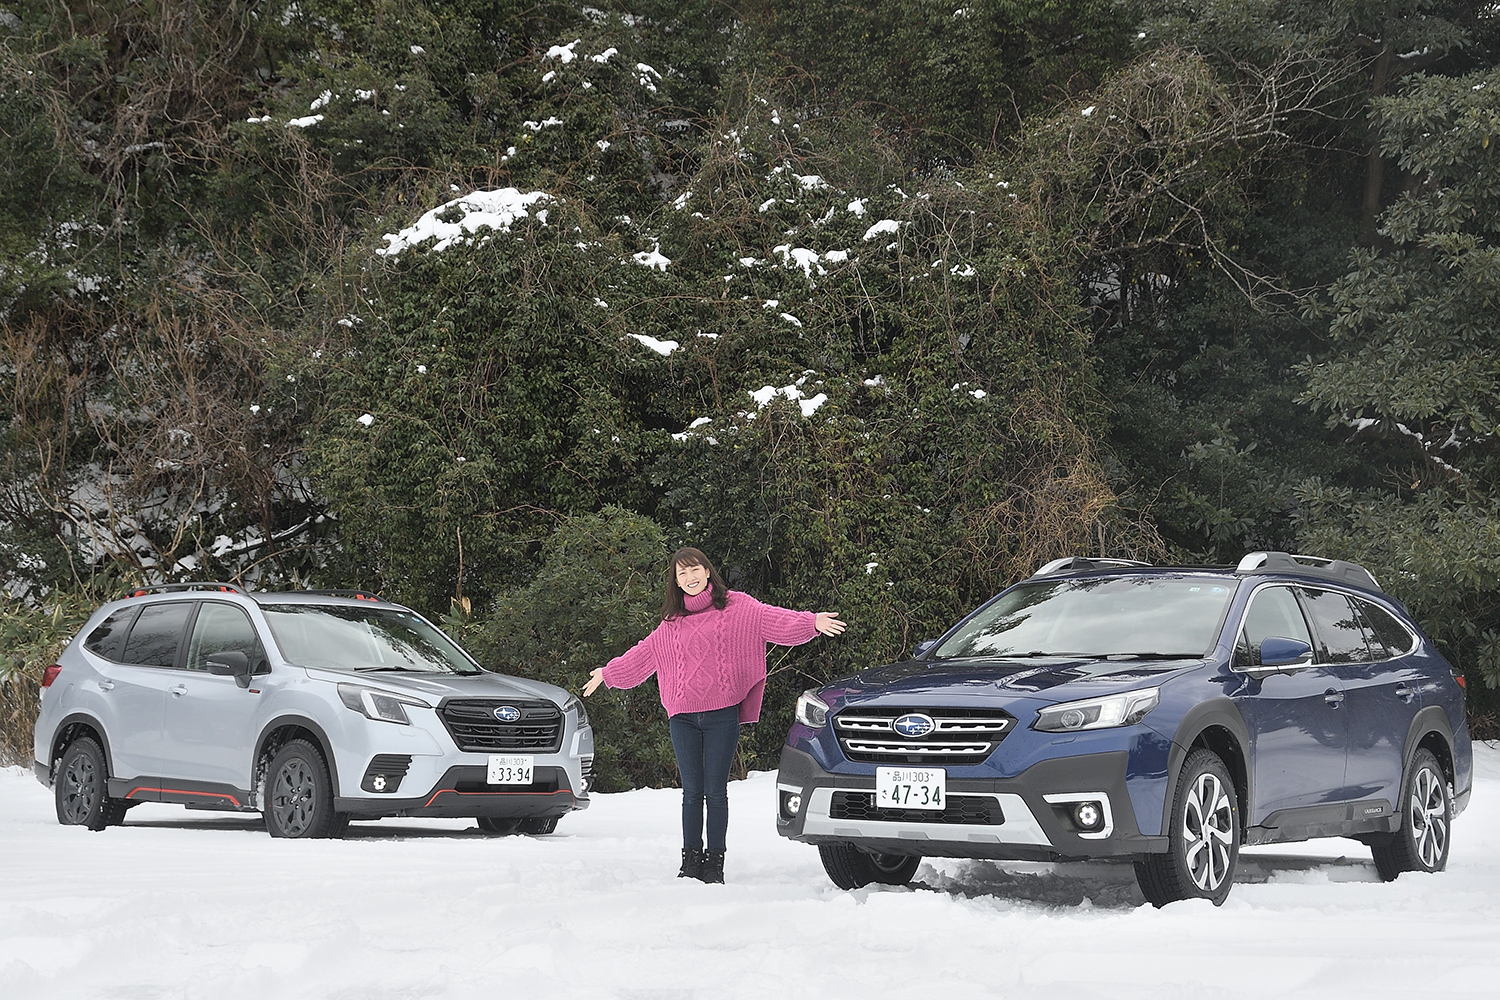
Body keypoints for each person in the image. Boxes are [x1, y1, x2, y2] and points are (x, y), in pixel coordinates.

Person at [583, 547, 847, 883]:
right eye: (682, 574)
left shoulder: (737, 607)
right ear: (675, 583)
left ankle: (715, 862)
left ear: (708, 572)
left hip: (722, 715)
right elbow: (643, 655)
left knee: (716, 791)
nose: (690, 578)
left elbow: (773, 619)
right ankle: (690, 859)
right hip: (683, 718)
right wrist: (609, 673)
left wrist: (811, 622)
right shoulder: (671, 624)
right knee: (692, 792)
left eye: (695, 570)